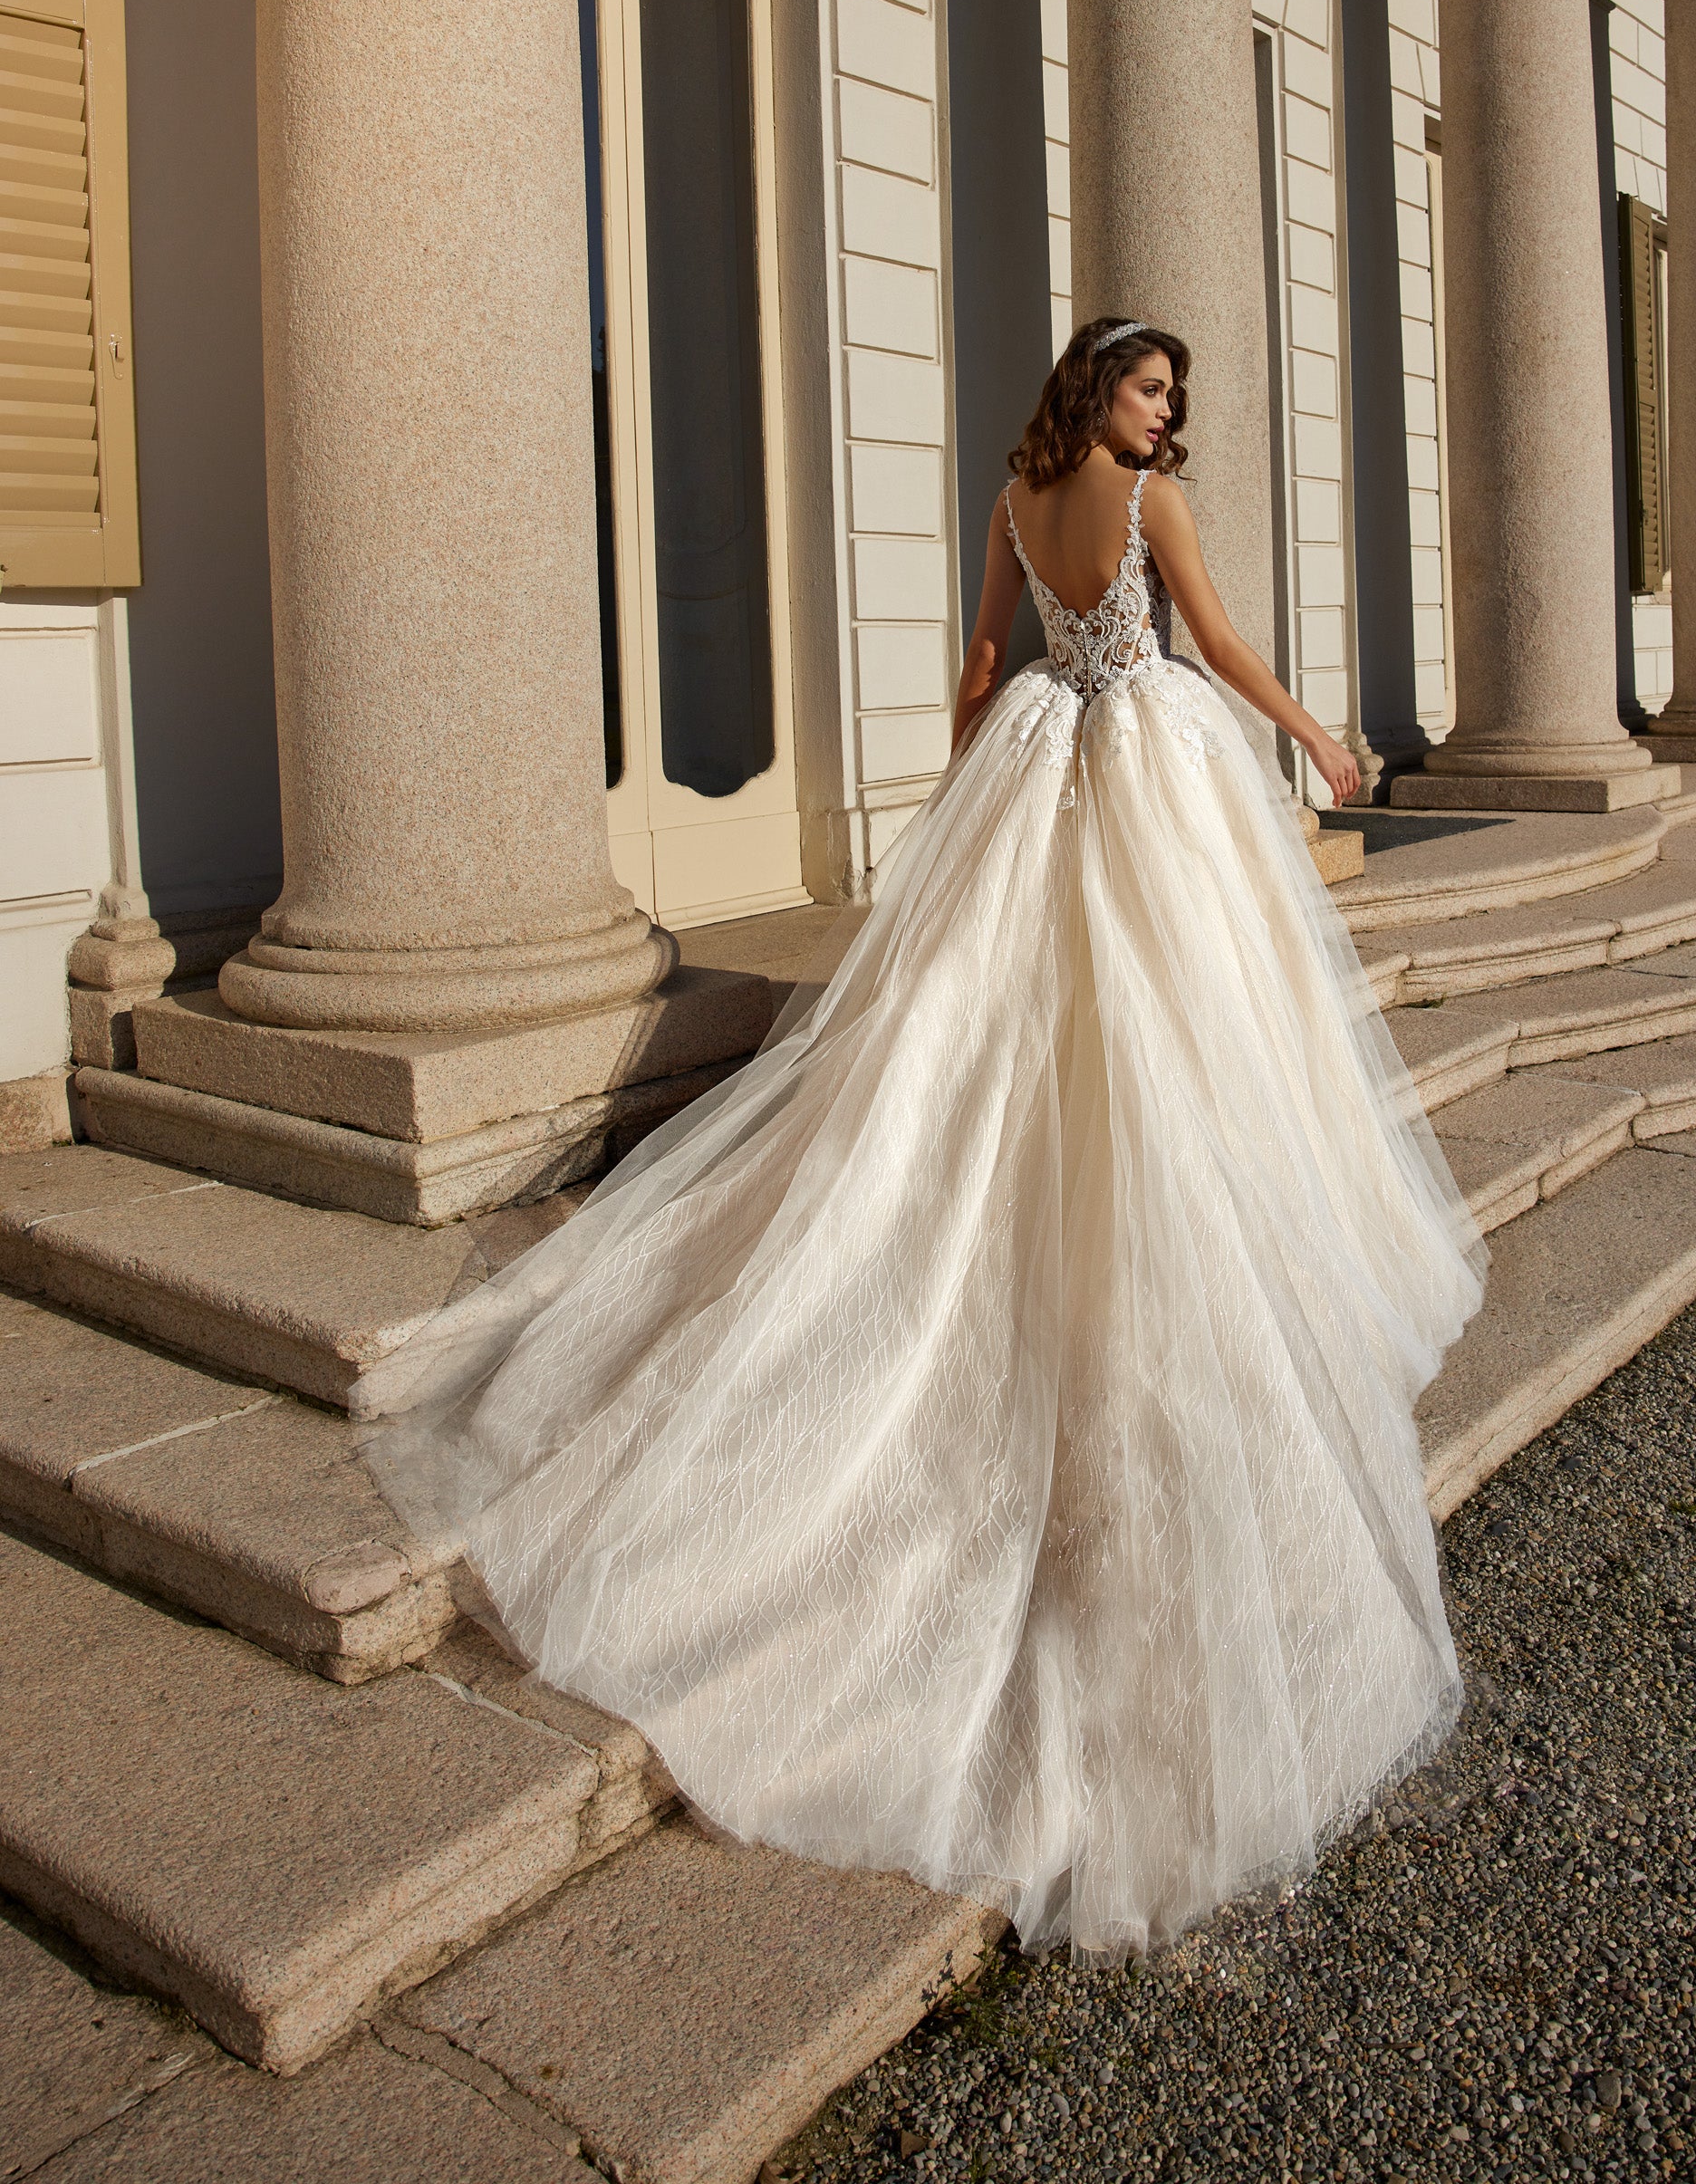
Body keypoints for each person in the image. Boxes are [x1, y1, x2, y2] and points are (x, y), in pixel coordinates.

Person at [360, 316, 1486, 1961]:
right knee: (1173, 1047)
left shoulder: (1016, 496)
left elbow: (979, 671)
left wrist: (967, 813)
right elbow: (1217, 649)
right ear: (1098, 388)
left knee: (1019, 1056)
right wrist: (1312, 737)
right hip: (1148, 766)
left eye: (1171, 397)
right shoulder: (1143, 500)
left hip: (1039, 768)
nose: (1168, 414)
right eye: (1151, 387)